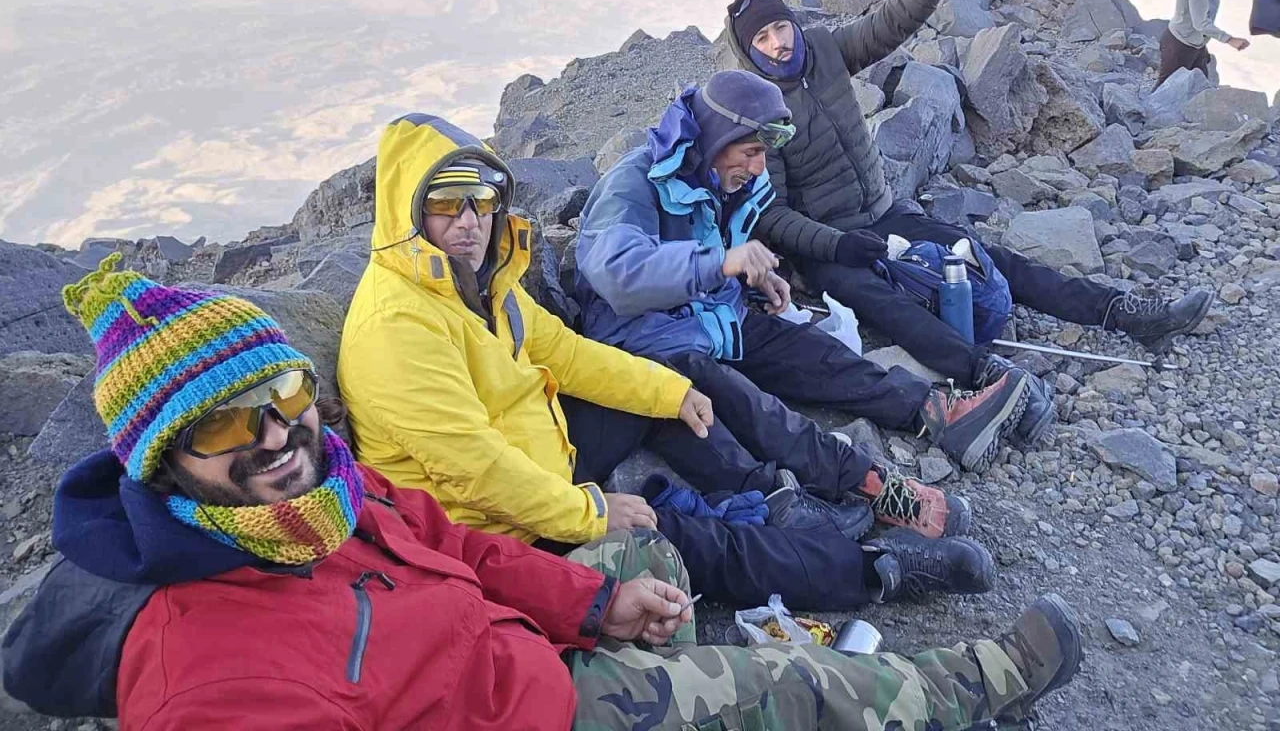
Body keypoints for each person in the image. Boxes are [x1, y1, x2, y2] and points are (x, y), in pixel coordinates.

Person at [0, 257, 1085, 729]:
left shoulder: (322, 497)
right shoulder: (210, 682)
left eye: (282, 397)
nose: (277, 439)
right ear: (160, 461)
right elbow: (475, 482)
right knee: (783, 681)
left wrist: (593, 601)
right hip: (538, 704)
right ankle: (970, 680)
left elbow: (458, 549)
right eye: (226, 427)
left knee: (662, 549)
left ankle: (839, 560)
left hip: (517, 638)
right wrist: (585, 519)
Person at [337, 113, 996, 611]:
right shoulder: (397, 326)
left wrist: (667, 394)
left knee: (683, 379)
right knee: (692, 540)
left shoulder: (479, 283)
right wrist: (591, 513)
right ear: (407, 210)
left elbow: (565, 353)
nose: (470, 221)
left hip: (544, 453)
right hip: (498, 528)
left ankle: (836, 488)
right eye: (446, 203)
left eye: (482, 201)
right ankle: (874, 570)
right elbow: (475, 469)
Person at [725, 0, 1215, 446]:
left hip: (882, 213)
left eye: (780, 27)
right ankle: (988, 375)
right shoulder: (758, 112)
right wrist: (837, 246)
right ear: (750, 52)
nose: (777, 42)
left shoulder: (824, 49)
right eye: (762, 39)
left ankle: (1121, 312)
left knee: (983, 256)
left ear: (793, 24)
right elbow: (770, 214)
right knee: (884, 303)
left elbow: (894, 19)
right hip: (827, 247)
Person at [574, 69, 1032, 489]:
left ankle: (938, 414)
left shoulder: (721, 177)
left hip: (709, 319)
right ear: (716, 139)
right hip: (647, 343)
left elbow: (709, 248)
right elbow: (618, 273)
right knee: (757, 408)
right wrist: (721, 263)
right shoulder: (633, 181)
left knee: (815, 351)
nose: (759, 167)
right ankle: (862, 485)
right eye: (751, 152)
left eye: (763, 154)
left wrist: (749, 281)